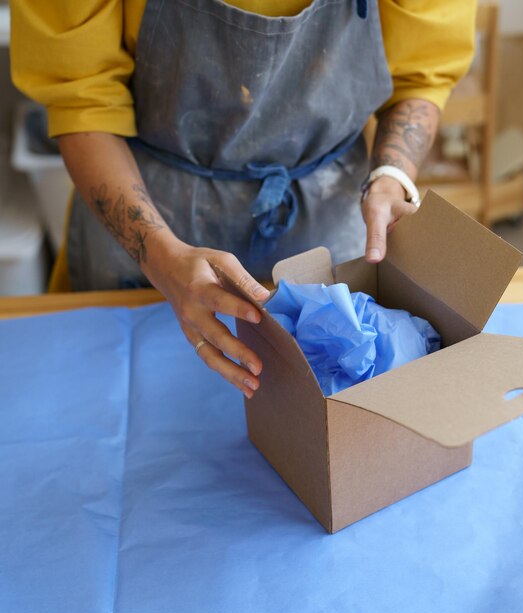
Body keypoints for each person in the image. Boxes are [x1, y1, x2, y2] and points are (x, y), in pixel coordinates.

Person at [10, 0, 476, 398]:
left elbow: (421, 72)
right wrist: (160, 255)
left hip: (327, 208)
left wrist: (392, 175)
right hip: (148, 221)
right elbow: (80, 98)